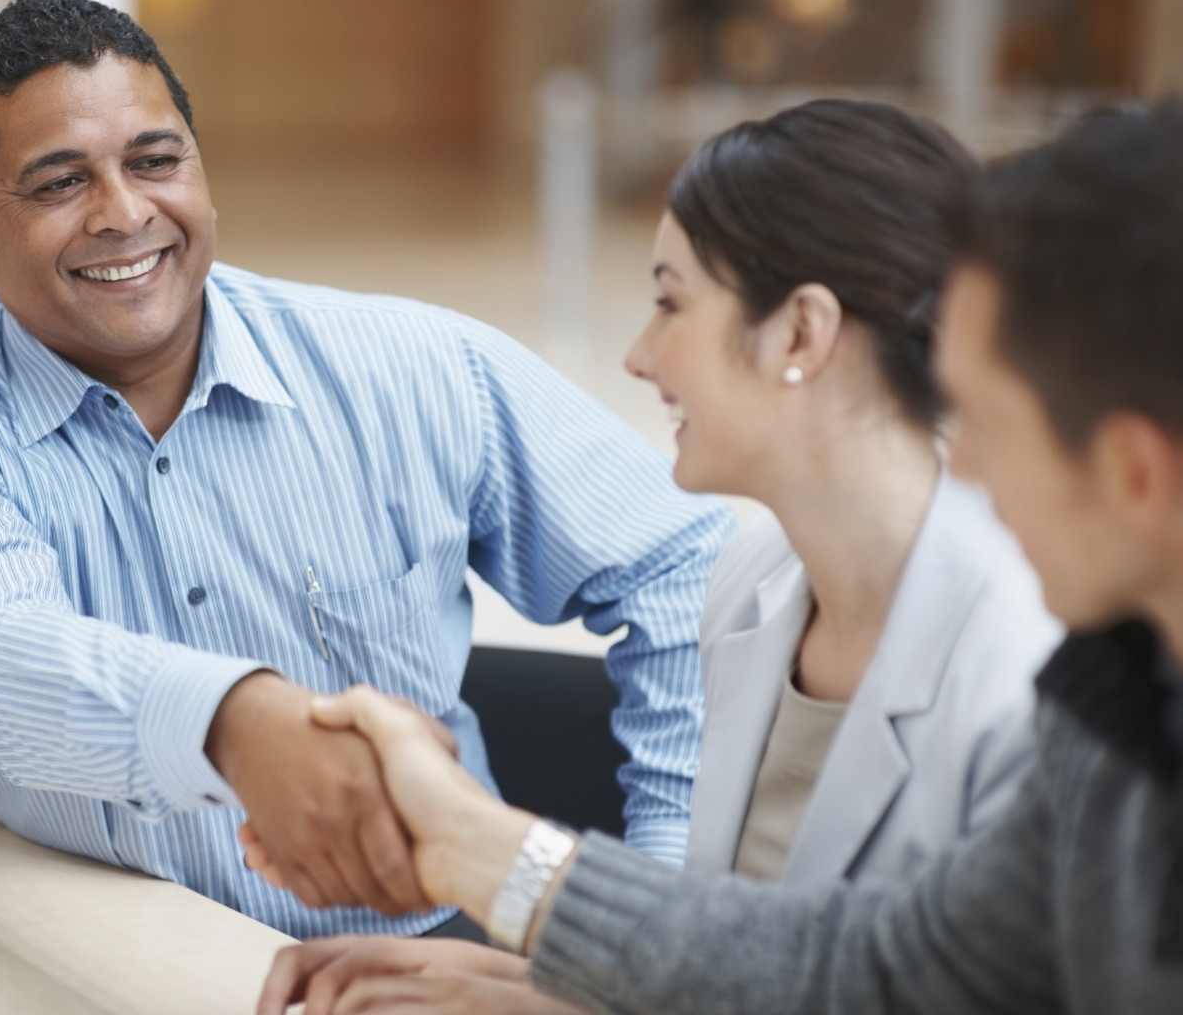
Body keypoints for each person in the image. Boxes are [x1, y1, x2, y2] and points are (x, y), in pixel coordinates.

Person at [0, 0, 732, 939]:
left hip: (438, 951)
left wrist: (658, 911)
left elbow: (683, 566)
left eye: (155, 161)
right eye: (60, 183)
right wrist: (238, 723)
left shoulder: (410, 367)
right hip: (115, 962)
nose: (125, 212)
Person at [257, 104, 1183, 1015]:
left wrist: (487, 858)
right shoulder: (1111, 709)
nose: (965, 466)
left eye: (983, 422)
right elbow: (873, 973)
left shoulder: (1045, 681)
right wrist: (542, 969)